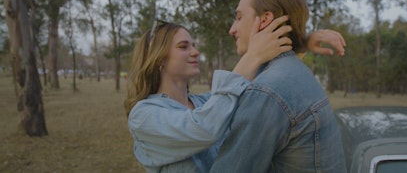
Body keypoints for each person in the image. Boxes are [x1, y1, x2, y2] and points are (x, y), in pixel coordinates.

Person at [125, 16, 345, 172]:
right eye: (184, 46)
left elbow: (253, 87)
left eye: (193, 45)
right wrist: (252, 56)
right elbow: (204, 128)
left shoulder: (205, 102)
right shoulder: (143, 115)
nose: (195, 51)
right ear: (159, 58)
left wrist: (301, 43)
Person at [209, 0, 347, 172]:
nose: (232, 29)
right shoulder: (293, 72)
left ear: (264, 20)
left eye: (239, 17)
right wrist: (302, 41)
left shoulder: (267, 91)